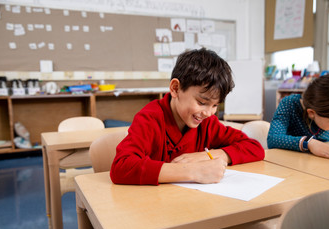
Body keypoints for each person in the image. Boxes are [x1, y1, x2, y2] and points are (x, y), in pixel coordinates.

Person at [110, 48, 265, 185]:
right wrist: (192, 171)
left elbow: (255, 148)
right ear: (176, 89)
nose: (208, 112)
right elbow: (121, 167)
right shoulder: (150, 119)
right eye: (202, 102)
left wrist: (210, 156)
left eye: (215, 105)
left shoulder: (207, 122)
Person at [267, 75, 329, 160]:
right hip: (291, 160)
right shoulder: (289, 104)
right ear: (312, 113)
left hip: (320, 162)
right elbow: (273, 139)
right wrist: (308, 143)